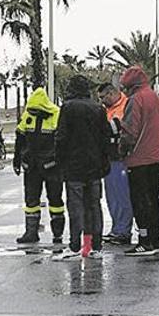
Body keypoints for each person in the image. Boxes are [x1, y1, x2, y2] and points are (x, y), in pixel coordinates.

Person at [52, 75, 112, 261]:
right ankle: (96, 247)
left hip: (74, 167)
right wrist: (104, 162)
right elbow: (106, 137)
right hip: (94, 166)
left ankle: (75, 246)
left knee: (75, 206)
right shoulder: (98, 109)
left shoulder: (68, 108)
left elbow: (61, 138)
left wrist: (59, 161)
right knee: (94, 206)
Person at [119, 66, 159, 256]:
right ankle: (156, 240)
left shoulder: (135, 100)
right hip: (156, 157)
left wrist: (122, 149)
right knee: (153, 199)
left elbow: (130, 130)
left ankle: (144, 241)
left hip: (138, 159)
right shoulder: (155, 97)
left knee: (139, 201)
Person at [13, 87, 65, 244]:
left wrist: (57, 161)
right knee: (31, 201)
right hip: (32, 166)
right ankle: (31, 233)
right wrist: (17, 161)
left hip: (52, 167)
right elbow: (20, 139)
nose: (33, 113)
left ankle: (57, 233)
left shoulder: (56, 115)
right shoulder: (28, 115)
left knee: (55, 200)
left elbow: (62, 142)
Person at [97, 82, 133, 245]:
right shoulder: (108, 109)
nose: (102, 101)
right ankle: (117, 229)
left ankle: (122, 231)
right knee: (112, 197)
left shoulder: (125, 106)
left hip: (120, 159)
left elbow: (117, 128)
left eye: (103, 97)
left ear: (112, 93)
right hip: (109, 159)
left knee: (121, 196)